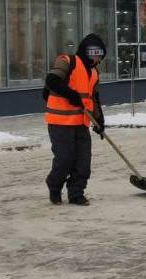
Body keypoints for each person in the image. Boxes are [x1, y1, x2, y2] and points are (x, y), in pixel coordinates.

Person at [43, 33, 108, 206]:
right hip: (60, 122)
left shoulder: (94, 73)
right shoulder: (67, 61)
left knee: (83, 162)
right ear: (86, 51)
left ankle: (76, 193)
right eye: (94, 53)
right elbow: (52, 81)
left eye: (100, 55)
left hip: (81, 123)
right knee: (65, 159)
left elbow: (93, 99)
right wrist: (70, 94)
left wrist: (100, 121)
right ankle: (54, 186)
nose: (97, 58)